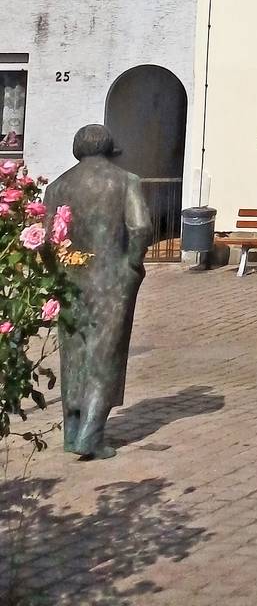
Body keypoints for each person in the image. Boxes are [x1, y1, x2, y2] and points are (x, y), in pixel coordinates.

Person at [43, 124, 152, 459]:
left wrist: (55, 271)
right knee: (105, 355)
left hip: (69, 278)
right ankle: (91, 436)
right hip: (112, 279)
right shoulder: (124, 181)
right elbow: (140, 227)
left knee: (73, 353)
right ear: (108, 147)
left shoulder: (57, 186)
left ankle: (72, 432)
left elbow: (46, 239)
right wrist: (132, 265)